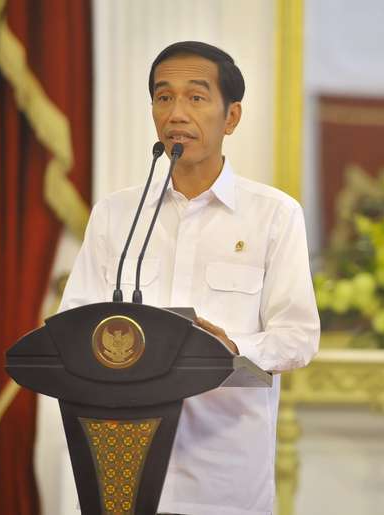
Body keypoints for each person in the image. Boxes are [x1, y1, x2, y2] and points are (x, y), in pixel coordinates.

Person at [38, 41, 320, 515]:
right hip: (120, 470)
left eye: (196, 97)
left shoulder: (273, 215)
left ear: (231, 117)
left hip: (223, 476)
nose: (176, 113)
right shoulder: (116, 214)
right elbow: (73, 324)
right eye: (163, 97)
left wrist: (232, 348)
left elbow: (298, 337)